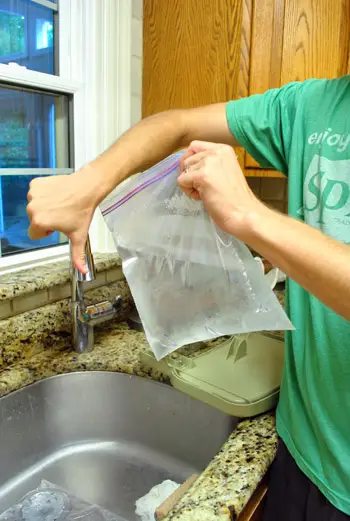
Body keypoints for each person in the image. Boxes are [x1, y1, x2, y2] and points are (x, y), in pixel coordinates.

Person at [27, 75, 350, 520]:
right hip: (300, 447)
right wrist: (88, 185)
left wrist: (247, 215)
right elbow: (176, 124)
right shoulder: (310, 104)